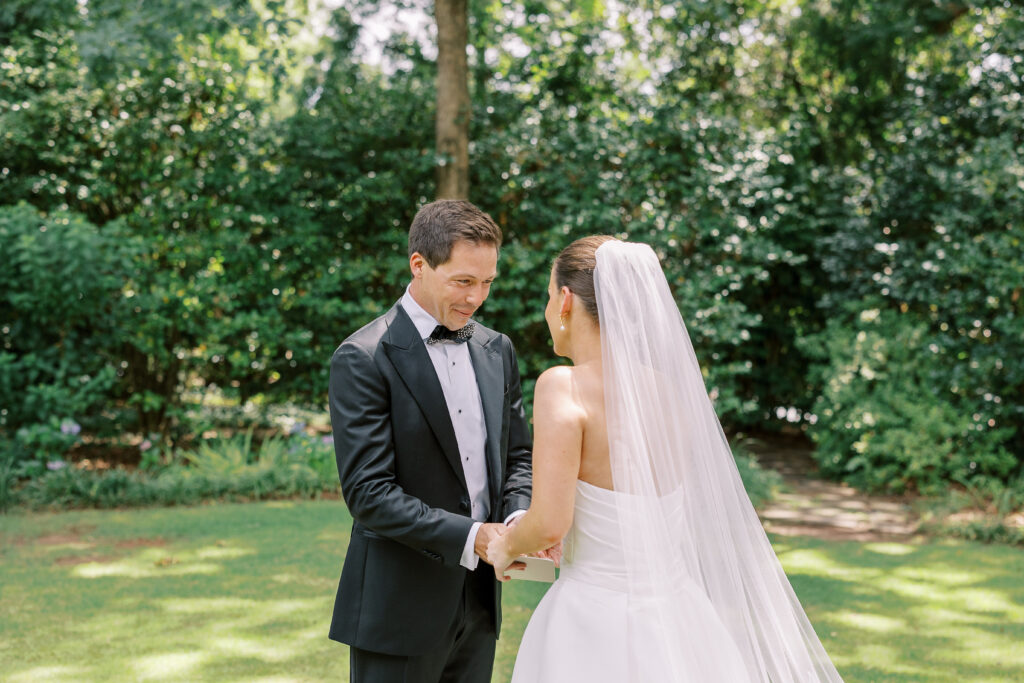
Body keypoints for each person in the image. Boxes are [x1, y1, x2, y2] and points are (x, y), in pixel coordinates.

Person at [487, 236, 844, 682]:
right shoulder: (667, 390)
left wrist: (507, 544)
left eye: (546, 297)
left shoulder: (563, 386)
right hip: (679, 612)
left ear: (564, 302)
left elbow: (551, 523)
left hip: (594, 619)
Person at [327, 199, 533, 682]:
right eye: (463, 281)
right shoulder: (363, 357)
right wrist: (473, 536)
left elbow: (517, 455)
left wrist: (520, 518)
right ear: (418, 265)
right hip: (399, 610)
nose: (476, 298)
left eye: (487, 282)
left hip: (481, 605)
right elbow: (369, 494)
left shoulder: (497, 349)